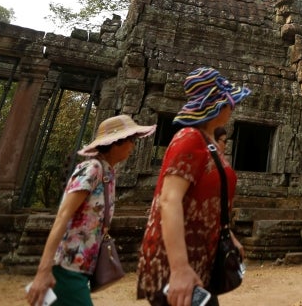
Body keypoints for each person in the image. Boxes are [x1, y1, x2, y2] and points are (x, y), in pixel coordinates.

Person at [137, 67, 251, 306]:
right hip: (176, 262)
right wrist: (179, 268)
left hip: (203, 258)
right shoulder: (189, 138)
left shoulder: (210, 144)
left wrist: (227, 234)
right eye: (230, 101)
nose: (234, 106)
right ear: (218, 105)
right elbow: (169, 199)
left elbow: (211, 198)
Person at [26, 114, 156, 306]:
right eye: (131, 140)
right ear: (116, 143)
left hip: (82, 265)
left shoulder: (108, 172)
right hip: (67, 265)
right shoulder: (92, 168)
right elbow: (63, 215)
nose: (133, 146)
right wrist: (44, 269)